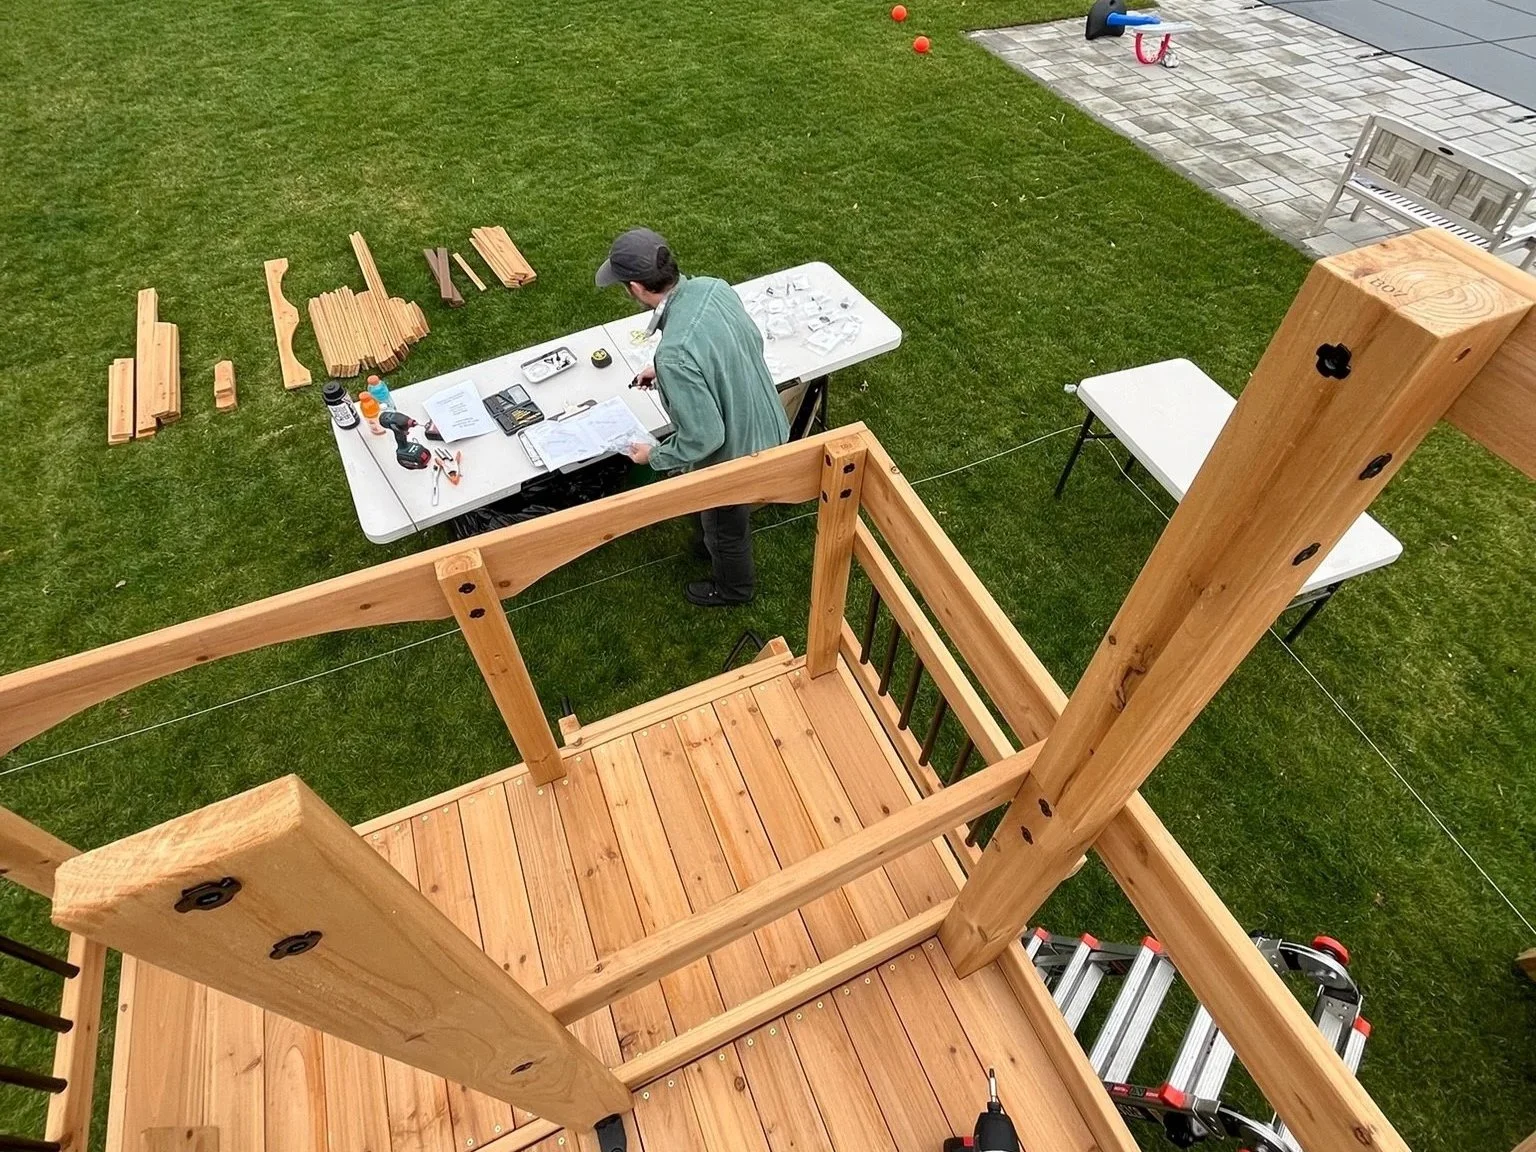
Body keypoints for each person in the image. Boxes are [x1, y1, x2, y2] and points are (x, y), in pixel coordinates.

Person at [597, 228, 789, 607]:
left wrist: (654, 456)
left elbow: (705, 438)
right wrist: (665, 369)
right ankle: (708, 545)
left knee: (724, 526)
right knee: (717, 523)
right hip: (769, 421)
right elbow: (741, 342)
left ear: (635, 287)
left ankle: (734, 589)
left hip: (736, 459)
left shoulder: (675, 353)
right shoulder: (713, 288)